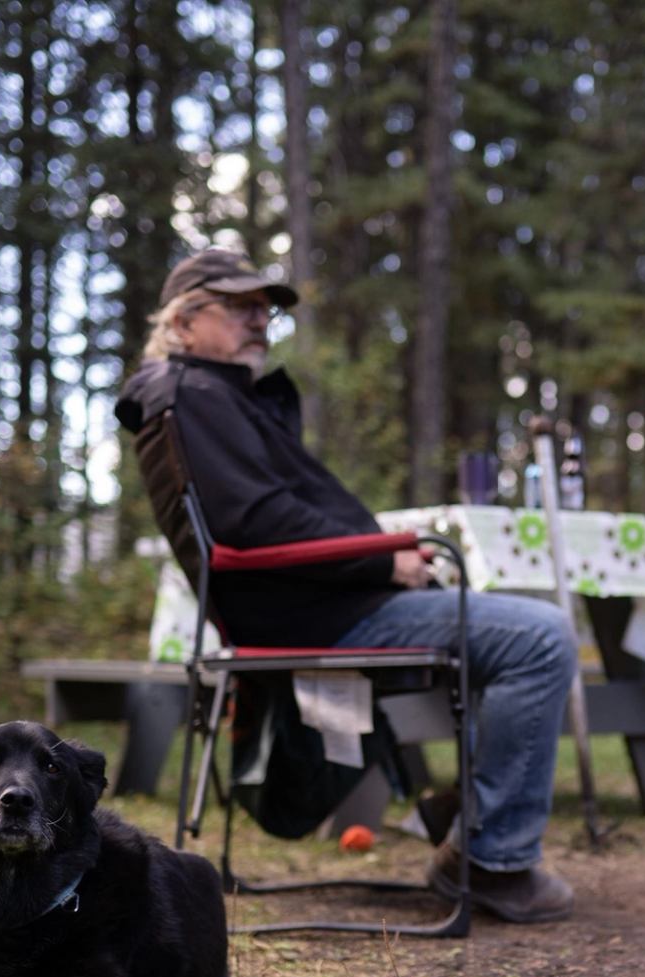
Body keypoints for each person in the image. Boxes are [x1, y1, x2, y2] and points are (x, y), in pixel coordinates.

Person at [115, 247, 578, 923]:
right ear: (185, 321)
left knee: (496, 633)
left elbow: (264, 514)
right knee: (539, 637)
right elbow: (258, 521)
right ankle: (494, 861)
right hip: (313, 616)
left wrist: (385, 562)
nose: (261, 321)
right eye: (242, 306)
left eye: (265, 308)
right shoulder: (193, 395)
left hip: (318, 604)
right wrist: (381, 561)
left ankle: (467, 822)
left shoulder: (209, 396)